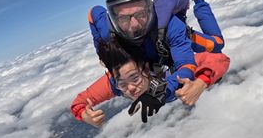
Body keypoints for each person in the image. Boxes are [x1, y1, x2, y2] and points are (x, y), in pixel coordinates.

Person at [74, 0, 229, 125]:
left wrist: (199, 83)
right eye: (124, 18)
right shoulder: (120, 77)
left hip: (169, 36)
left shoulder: (171, 28)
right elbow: (94, 13)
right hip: (148, 50)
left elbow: (216, 59)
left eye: (140, 14)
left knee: (217, 44)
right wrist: (84, 114)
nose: (134, 24)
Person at [70, 39, 230, 126]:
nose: (130, 88)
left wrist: (201, 83)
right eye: (122, 84)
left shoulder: (170, 72)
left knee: (216, 40)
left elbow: (220, 58)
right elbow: (79, 102)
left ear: (146, 70)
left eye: (135, 78)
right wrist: (85, 115)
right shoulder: (115, 82)